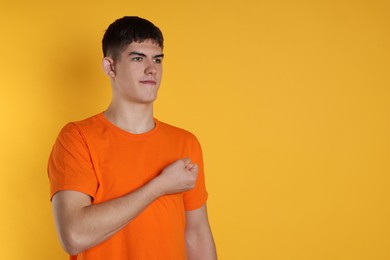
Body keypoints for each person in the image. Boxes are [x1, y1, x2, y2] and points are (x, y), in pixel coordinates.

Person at [48, 16, 217, 260]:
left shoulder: (185, 142)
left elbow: (196, 233)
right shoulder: (77, 138)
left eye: (157, 59)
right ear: (110, 67)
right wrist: (160, 186)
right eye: (138, 58)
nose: (152, 68)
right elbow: (74, 236)